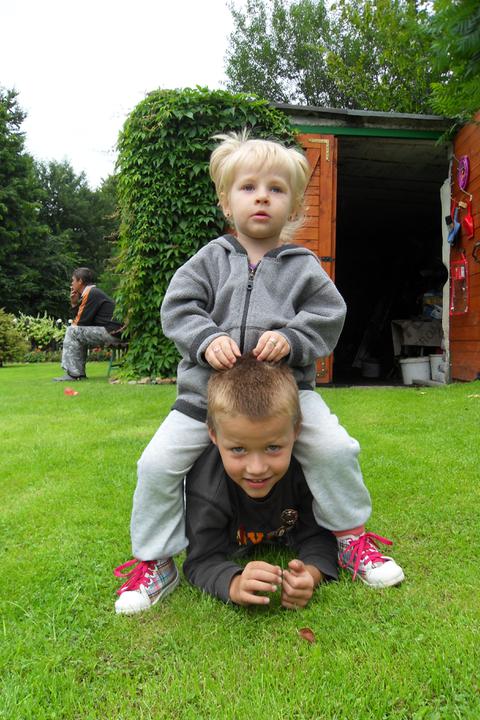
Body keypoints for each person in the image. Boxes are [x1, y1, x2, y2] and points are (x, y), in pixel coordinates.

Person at [114, 131, 404, 615]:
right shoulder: (209, 260)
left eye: (276, 189)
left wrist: (292, 338)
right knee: (156, 465)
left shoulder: (302, 266)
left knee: (335, 448)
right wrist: (206, 338)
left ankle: (350, 539)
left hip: (288, 396)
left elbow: (329, 314)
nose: (262, 197)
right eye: (248, 187)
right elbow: (178, 308)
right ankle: (156, 561)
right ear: (226, 202)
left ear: (294, 207)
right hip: (203, 397)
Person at [183, 355, 338, 608]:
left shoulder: (306, 470)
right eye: (238, 449)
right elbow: (201, 560)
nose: (257, 469)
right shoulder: (208, 489)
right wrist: (233, 584)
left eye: (273, 447)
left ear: (296, 431)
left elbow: (320, 536)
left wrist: (311, 574)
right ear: (214, 435)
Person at [53, 267, 123, 382]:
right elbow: (83, 323)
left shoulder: (90, 293)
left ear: (80, 281)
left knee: (71, 331)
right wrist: (74, 304)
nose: (71, 283)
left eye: (73, 280)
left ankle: (73, 374)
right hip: (114, 331)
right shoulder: (93, 292)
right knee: (76, 332)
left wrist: (74, 306)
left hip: (112, 332)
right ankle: (77, 373)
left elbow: (79, 323)